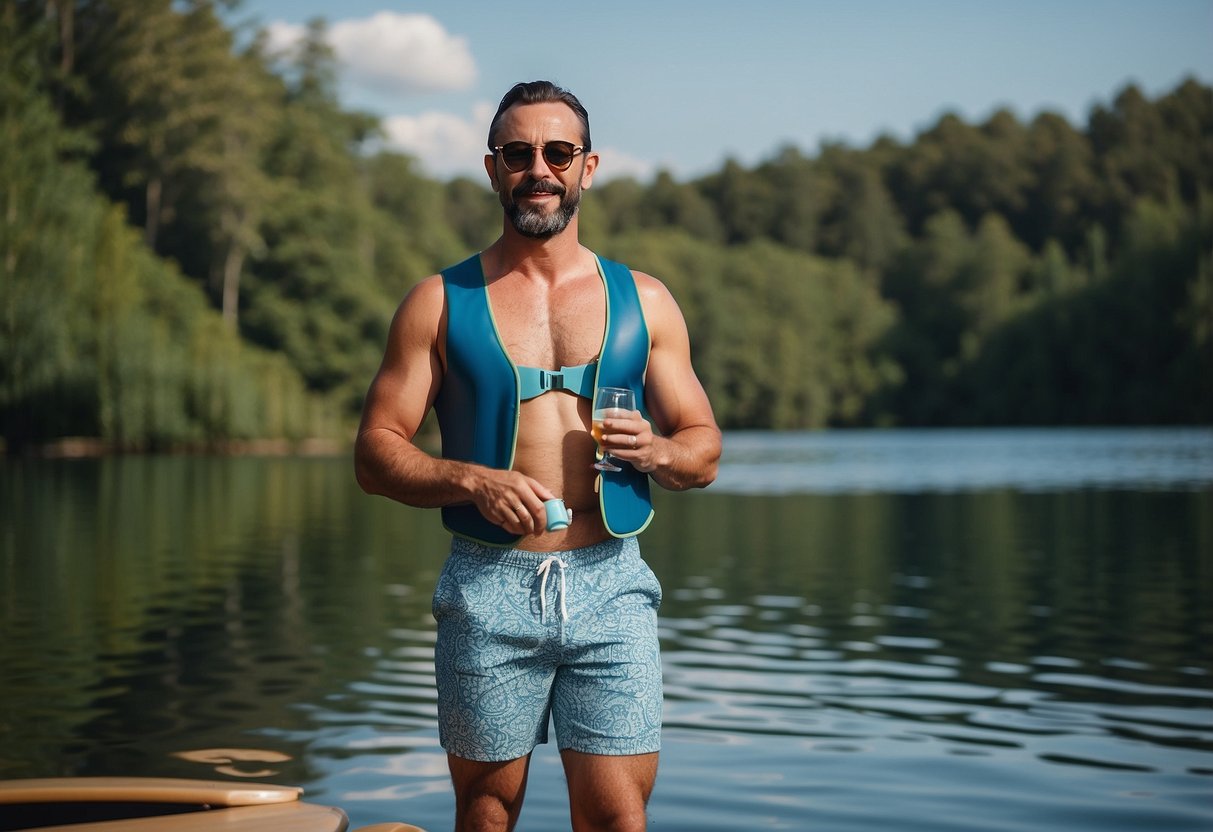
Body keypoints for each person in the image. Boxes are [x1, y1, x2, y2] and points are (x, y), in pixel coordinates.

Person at [355, 80, 721, 832]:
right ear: (493, 169)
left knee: (618, 818)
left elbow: (703, 448)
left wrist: (655, 449)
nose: (539, 169)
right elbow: (374, 453)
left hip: (611, 585)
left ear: (588, 167)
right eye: (518, 154)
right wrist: (467, 478)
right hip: (486, 585)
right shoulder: (436, 301)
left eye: (558, 152)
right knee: (487, 812)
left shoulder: (646, 301)